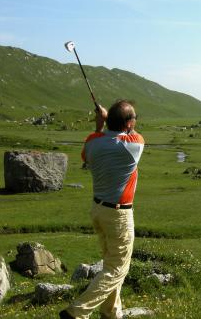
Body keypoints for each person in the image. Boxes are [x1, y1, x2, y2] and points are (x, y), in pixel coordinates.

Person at [60, 100, 145, 319]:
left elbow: (87, 154)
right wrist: (109, 120)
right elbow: (132, 133)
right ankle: (77, 312)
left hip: (98, 210)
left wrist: (101, 125)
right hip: (119, 214)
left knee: (110, 265)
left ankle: (111, 313)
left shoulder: (92, 142)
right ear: (128, 124)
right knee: (117, 269)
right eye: (134, 118)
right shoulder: (133, 145)